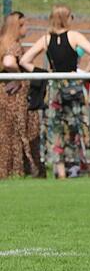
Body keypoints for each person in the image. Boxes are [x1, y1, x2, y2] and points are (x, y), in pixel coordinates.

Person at [19, 4, 90, 179]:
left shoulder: (45, 39)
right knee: (81, 126)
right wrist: (85, 74)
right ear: (67, 18)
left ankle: (61, 172)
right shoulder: (74, 36)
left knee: (55, 128)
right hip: (74, 86)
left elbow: (25, 61)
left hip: (54, 88)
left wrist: (46, 74)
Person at [0, 11, 37, 178]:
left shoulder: (2, 43)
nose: (27, 28)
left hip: (4, 95)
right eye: (24, 25)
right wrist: (18, 78)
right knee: (17, 131)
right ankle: (17, 169)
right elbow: (9, 62)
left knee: (6, 132)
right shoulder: (13, 45)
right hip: (14, 97)